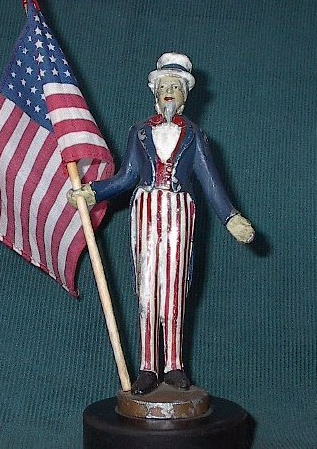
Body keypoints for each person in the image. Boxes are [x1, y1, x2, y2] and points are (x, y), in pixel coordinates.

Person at [68, 52, 254, 395]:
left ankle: (174, 365)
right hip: (146, 210)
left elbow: (210, 180)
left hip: (179, 211)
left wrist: (231, 217)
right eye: (164, 87)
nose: (169, 92)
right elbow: (126, 177)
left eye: (176, 87)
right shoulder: (139, 132)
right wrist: (93, 192)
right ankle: (147, 366)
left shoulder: (195, 136)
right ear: (155, 93)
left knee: (174, 288)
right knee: (146, 289)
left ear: (185, 97)